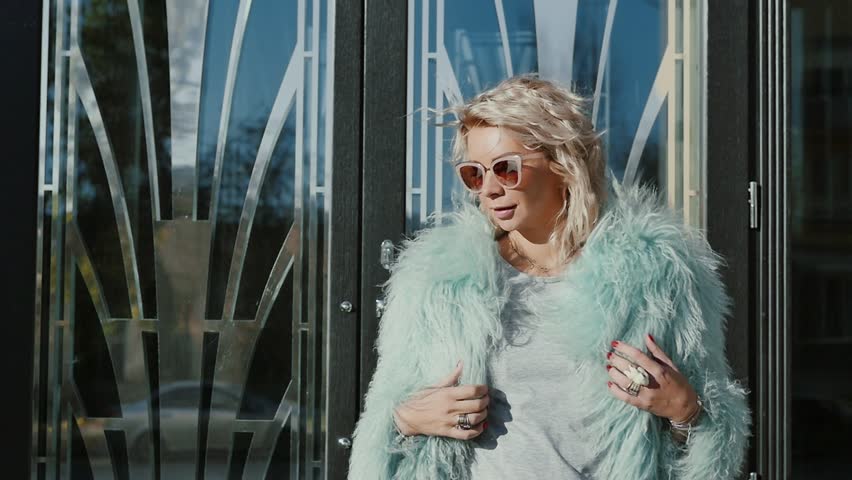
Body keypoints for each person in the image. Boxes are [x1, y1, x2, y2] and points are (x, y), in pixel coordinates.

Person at [348, 75, 750, 479]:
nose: (488, 189)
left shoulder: (659, 280)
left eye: (505, 169)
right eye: (474, 174)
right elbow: (379, 437)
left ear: (562, 163)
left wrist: (686, 413)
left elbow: (714, 448)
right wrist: (405, 420)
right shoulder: (437, 285)